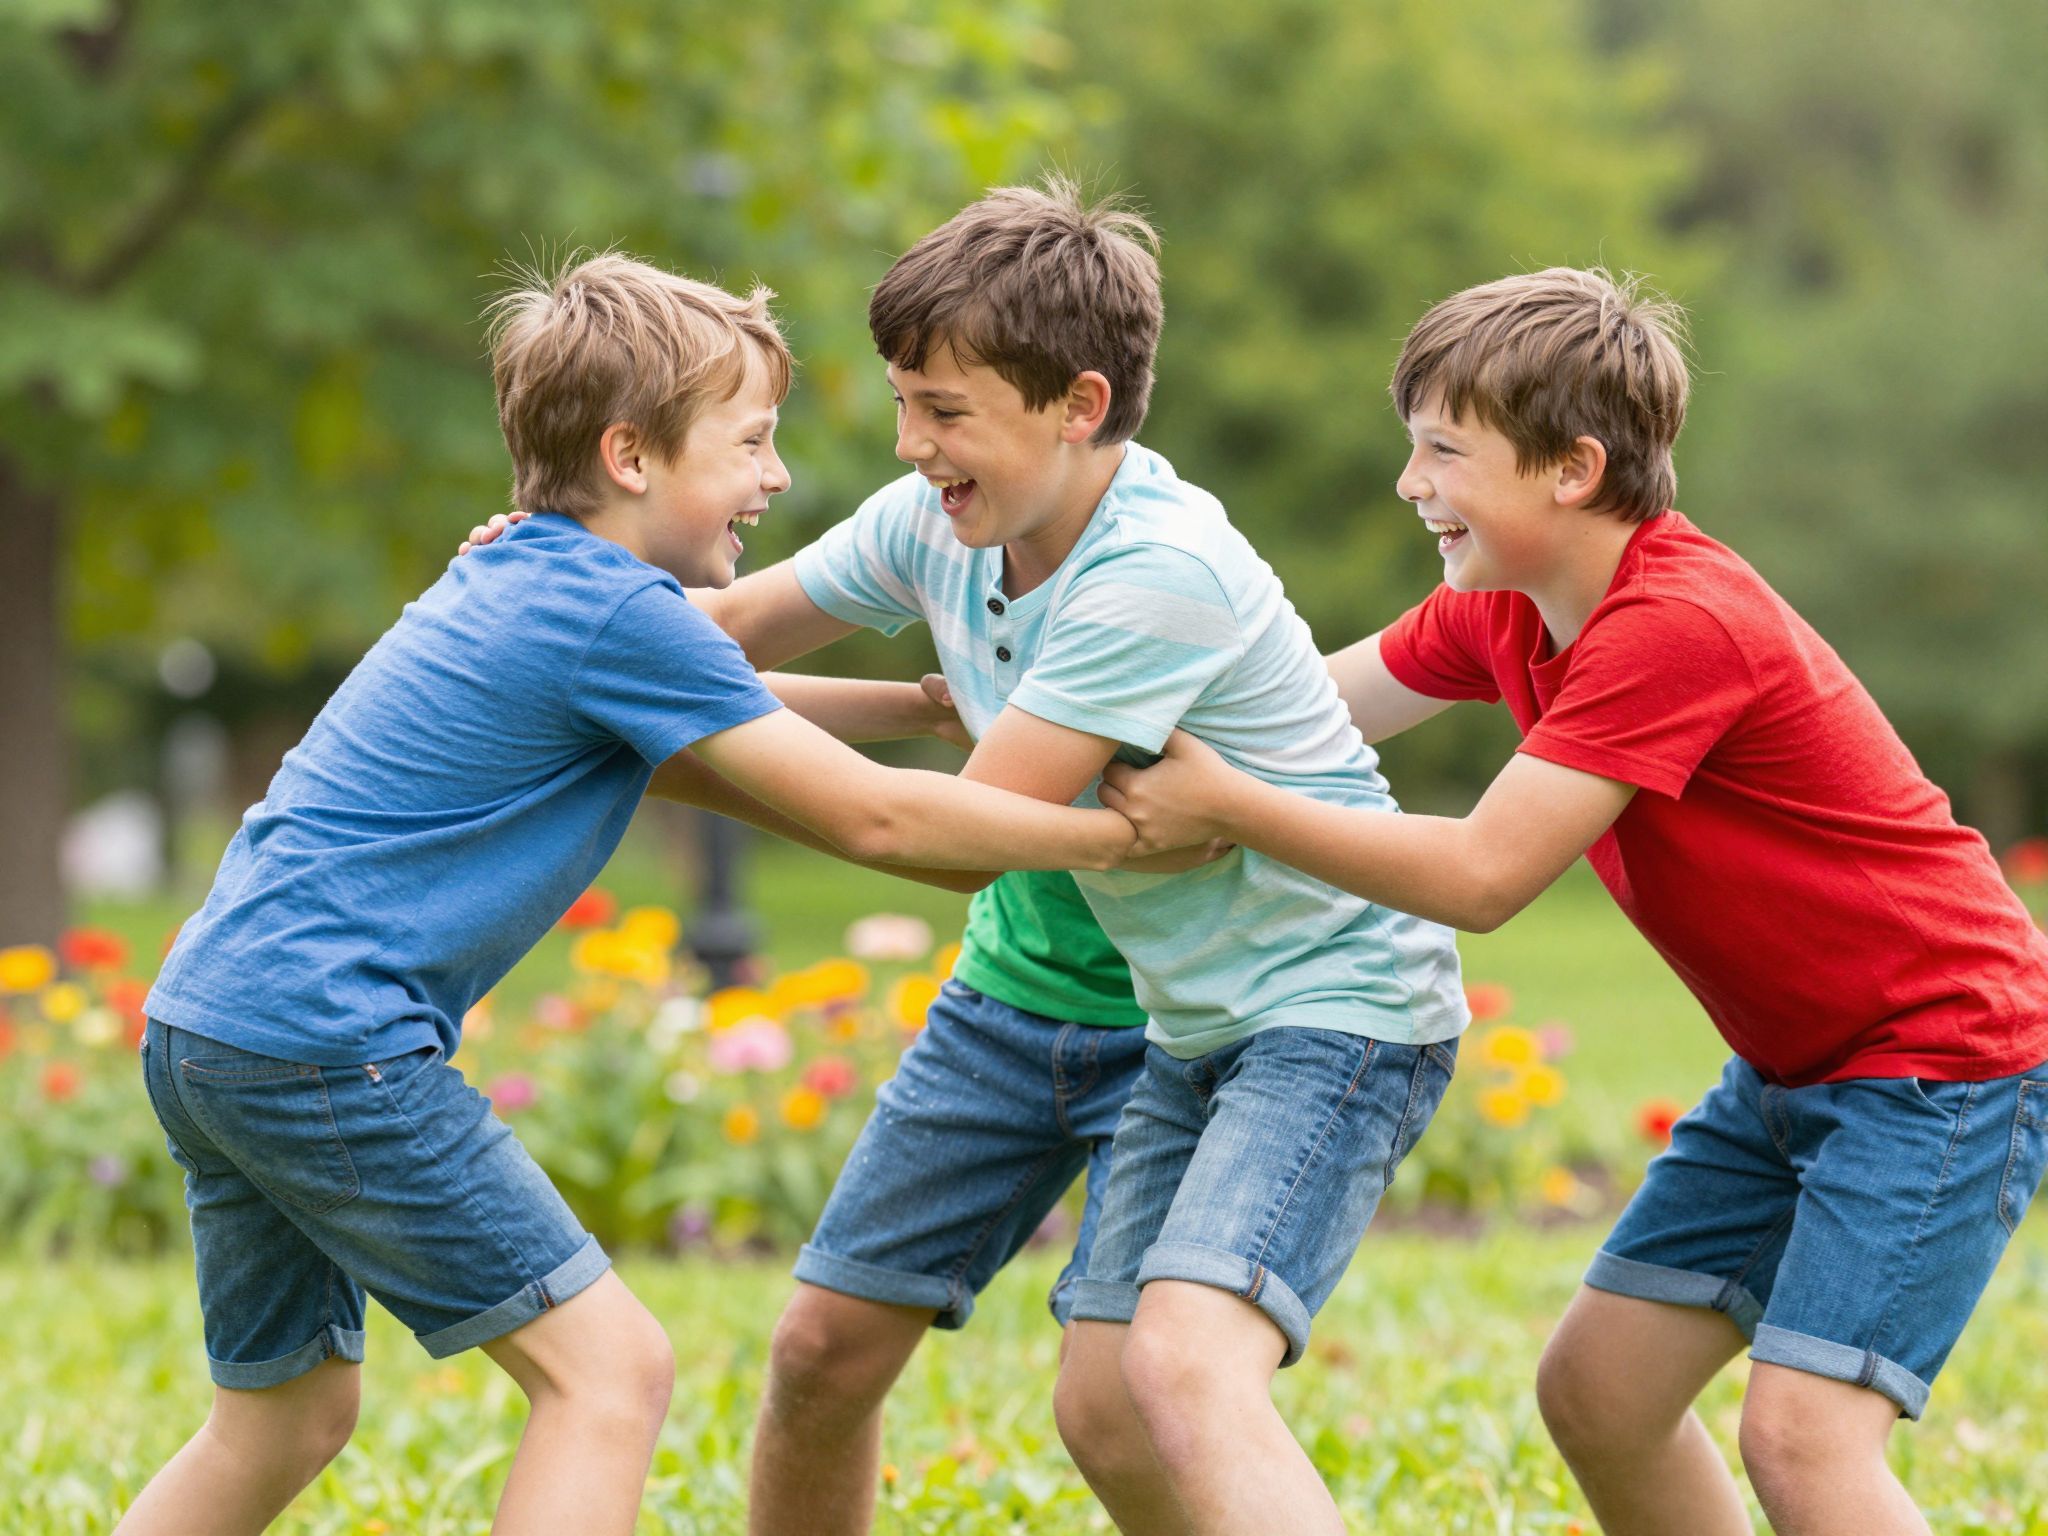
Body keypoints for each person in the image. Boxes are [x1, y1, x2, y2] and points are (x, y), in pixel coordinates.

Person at [121, 252, 1135, 1536]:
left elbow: (724, 709)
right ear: (630, 456)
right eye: (752, 443)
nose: (775, 477)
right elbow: (872, 821)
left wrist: (926, 710)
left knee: (285, 1414)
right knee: (609, 1374)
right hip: (331, 1042)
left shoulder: (528, 579)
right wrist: (1113, 839)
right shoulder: (615, 615)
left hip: (215, 1026)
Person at [1098, 266, 2048, 1536]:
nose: (1410, 483)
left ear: (1571, 468)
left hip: (1938, 1060)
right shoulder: (1502, 608)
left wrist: (1226, 805)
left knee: (1806, 1440)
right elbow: (1305, 716)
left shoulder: (1675, 621)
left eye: (1443, 450)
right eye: (1411, 446)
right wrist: (1099, 700)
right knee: (1598, 1393)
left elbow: (1483, 878)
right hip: (1791, 1068)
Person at [657, 178, 1469, 1536]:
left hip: (1334, 1005)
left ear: (1079, 407)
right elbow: (723, 625)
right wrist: (552, 583)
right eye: (907, 403)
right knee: (1055, 1397)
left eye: (946, 412)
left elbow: (960, 833)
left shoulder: (1157, 571)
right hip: (1189, 1010)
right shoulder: (940, 524)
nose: (911, 445)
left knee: (1171, 1378)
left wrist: (696, 754)